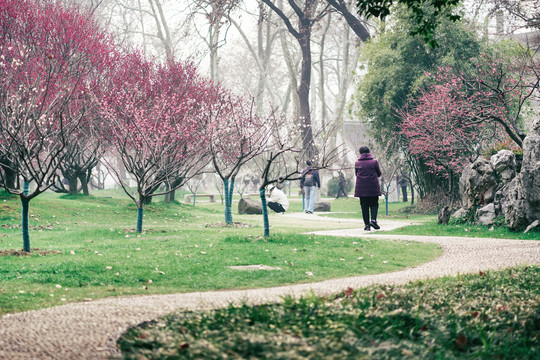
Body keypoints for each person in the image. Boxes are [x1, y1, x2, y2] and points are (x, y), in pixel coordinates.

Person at [354, 146, 382, 231]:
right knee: (374, 204)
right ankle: (373, 220)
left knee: (364, 206)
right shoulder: (374, 162)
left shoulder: (357, 163)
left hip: (361, 188)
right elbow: (379, 173)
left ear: (360, 153)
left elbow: (356, 174)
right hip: (373, 187)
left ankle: (367, 225)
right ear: (369, 152)